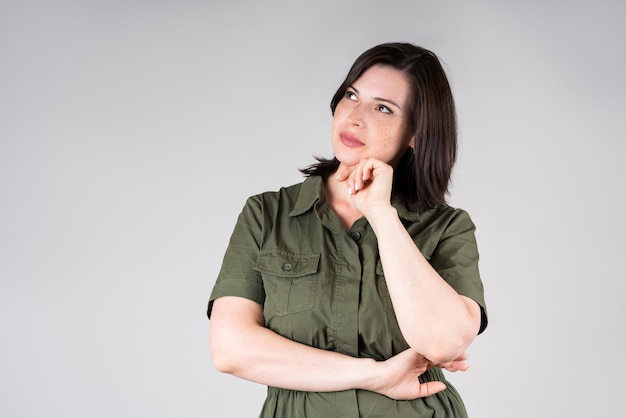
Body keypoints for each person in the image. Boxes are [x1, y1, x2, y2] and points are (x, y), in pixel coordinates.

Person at [207, 42, 488, 417]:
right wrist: (375, 375)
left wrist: (381, 214)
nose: (355, 117)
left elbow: (443, 342)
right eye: (351, 95)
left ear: (416, 133)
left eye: (383, 108)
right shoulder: (267, 214)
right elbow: (231, 350)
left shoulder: (447, 227)